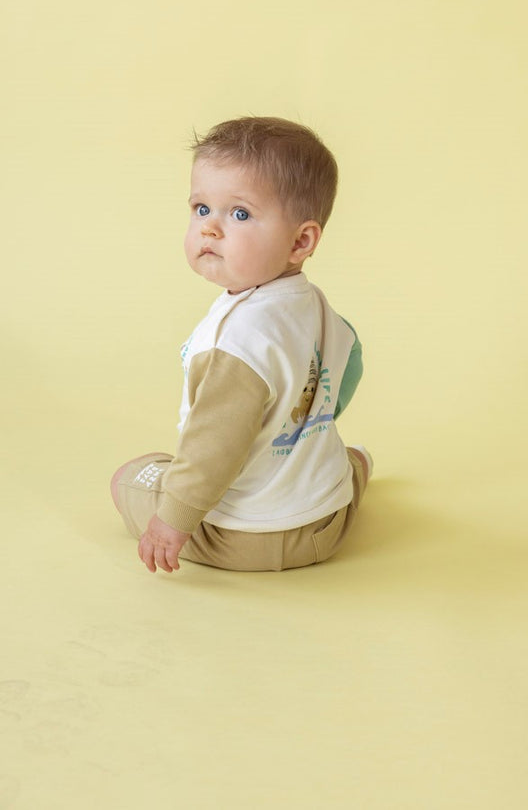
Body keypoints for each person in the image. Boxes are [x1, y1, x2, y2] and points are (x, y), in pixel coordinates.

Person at [110, 116, 372, 573]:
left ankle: (171, 507)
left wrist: (172, 522)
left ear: (300, 240)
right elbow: (350, 361)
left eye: (240, 214)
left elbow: (214, 447)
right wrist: (313, 424)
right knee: (338, 464)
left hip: (248, 536)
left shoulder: (237, 342)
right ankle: (356, 467)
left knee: (131, 475)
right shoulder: (312, 303)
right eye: (201, 208)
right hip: (328, 518)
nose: (210, 229)